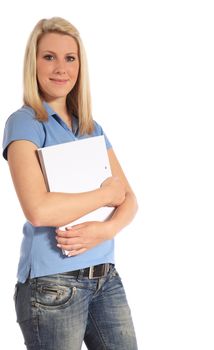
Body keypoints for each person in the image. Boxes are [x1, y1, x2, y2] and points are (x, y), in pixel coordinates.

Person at [2, 17, 138, 350]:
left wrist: (104, 231)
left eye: (70, 58)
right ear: (33, 62)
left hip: (105, 278)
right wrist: (105, 194)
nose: (61, 68)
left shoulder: (91, 126)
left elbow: (130, 199)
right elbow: (39, 210)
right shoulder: (25, 123)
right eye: (49, 57)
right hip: (53, 285)